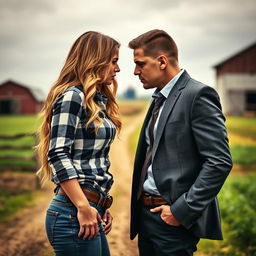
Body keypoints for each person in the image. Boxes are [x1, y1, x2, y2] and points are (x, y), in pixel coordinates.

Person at [129, 29, 233, 256]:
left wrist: (181, 211)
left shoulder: (198, 95)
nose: (135, 71)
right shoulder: (159, 98)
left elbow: (219, 161)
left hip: (172, 221)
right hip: (146, 216)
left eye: (140, 64)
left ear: (162, 61)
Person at [36, 31, 121, 256]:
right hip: (72, 214)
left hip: (90, 209)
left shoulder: (95, 102)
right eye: (113, 62)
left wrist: (100, 205)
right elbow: (57, 153)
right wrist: (84, 206)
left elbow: (95, 159)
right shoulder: (72, 96)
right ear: (96, 60)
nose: (117, 69)